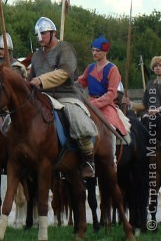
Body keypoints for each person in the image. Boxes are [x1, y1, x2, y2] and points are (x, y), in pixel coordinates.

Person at [29, 17, 98, 178]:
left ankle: (88, 159)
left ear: (53, 33)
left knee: (78, 121)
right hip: (41, 97)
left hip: (65, 94)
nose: (40, 38)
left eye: (44, 33)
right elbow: (31, 77)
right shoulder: (37, 55)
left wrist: (41, 80)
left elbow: (64, 73)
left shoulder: (65, 48)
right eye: (38, 35)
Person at [76, 35, 128, 136]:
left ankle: (112, 151)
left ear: (105, 52)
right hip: (88, 103)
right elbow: (79, 83)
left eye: (98, 51)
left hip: (106, 106)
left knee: (110, 129)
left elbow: (112, 94)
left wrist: (94, 104)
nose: (94, 53)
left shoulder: (113, 69)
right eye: (93, 50)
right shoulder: (90, 68)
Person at [123, 56, 161, 131]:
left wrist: (158, 110)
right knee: (132, 119)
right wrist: (130, 103)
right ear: (153, 68)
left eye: (160, 65)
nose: (158, 68)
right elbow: (144, 105)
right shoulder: (150, 84)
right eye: (155, 66)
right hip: (149, 117)